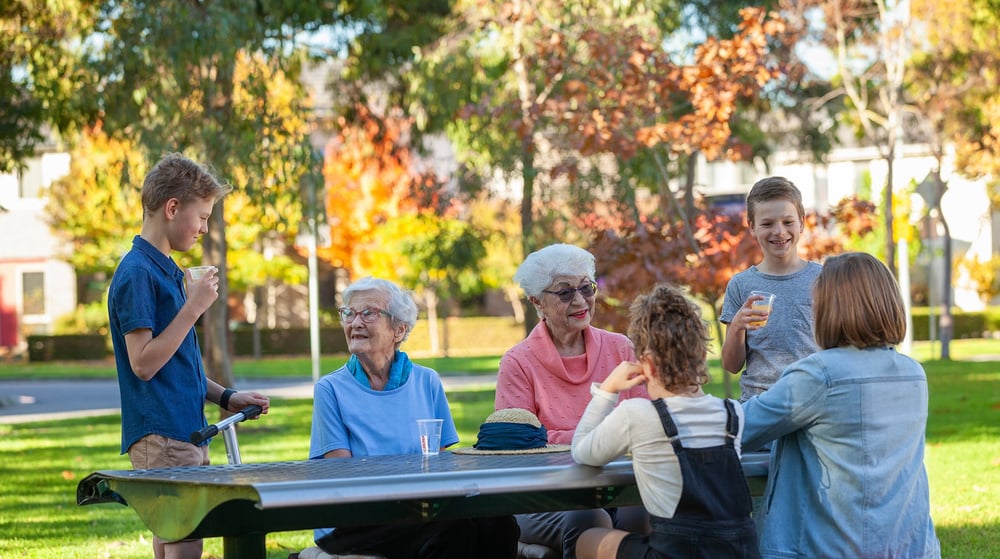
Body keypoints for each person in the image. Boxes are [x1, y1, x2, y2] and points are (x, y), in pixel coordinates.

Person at [107, 152, 270, 559]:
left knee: (176, 538)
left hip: (184, 430)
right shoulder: (138, 273)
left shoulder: (165, 270)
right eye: (202, 217)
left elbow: (177, 365)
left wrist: (226, 397)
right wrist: (193, 308)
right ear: (172, 208)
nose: (204, 228)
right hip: (162, 434)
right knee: (185, 540)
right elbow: (144, 363)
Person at [741, 252, 941, 559]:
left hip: (829, 549)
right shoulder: (913, 373)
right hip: (911, 547)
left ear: (830, 308)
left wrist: (680, 404)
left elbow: (738, 427)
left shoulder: (819, 374)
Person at [309, 277, 519, 558]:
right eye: (349, 313)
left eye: (368, 313)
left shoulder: (426, 380)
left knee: (501, 523)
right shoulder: (330, 388)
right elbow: (342, 475)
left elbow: (442, 462)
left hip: (418, 507)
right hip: (353, 519)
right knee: (455, 531)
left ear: (399, 329)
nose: (355, 322)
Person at [572, 283, 759, 559]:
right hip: (739, 553)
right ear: (701, 353)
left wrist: (608, 389)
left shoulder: (637, 414)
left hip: (675, 553)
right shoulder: (733, 413)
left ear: (647, 363)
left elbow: (582, 452)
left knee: (588, 540)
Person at [496, 243, 649, 559]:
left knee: (642, 511)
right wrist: (604, 438)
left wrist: (569, 437)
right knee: (588, 518)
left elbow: (646, 421)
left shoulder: (620, 347)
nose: (580, 301)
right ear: (537, 301)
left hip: (617, 484)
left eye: (586, 288)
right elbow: (517, 447)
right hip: (543, 495)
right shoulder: (518, 362)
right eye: (565, 293)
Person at [720, 176, 822, 403]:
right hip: (759, 403)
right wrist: (737, 326)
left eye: (788, 222)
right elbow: (731, 365)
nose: (779, 231)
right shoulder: (741, 285)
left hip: (812, 402)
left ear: (802, 223)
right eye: (767, 224)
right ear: (752, 227)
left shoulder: (823, 279)